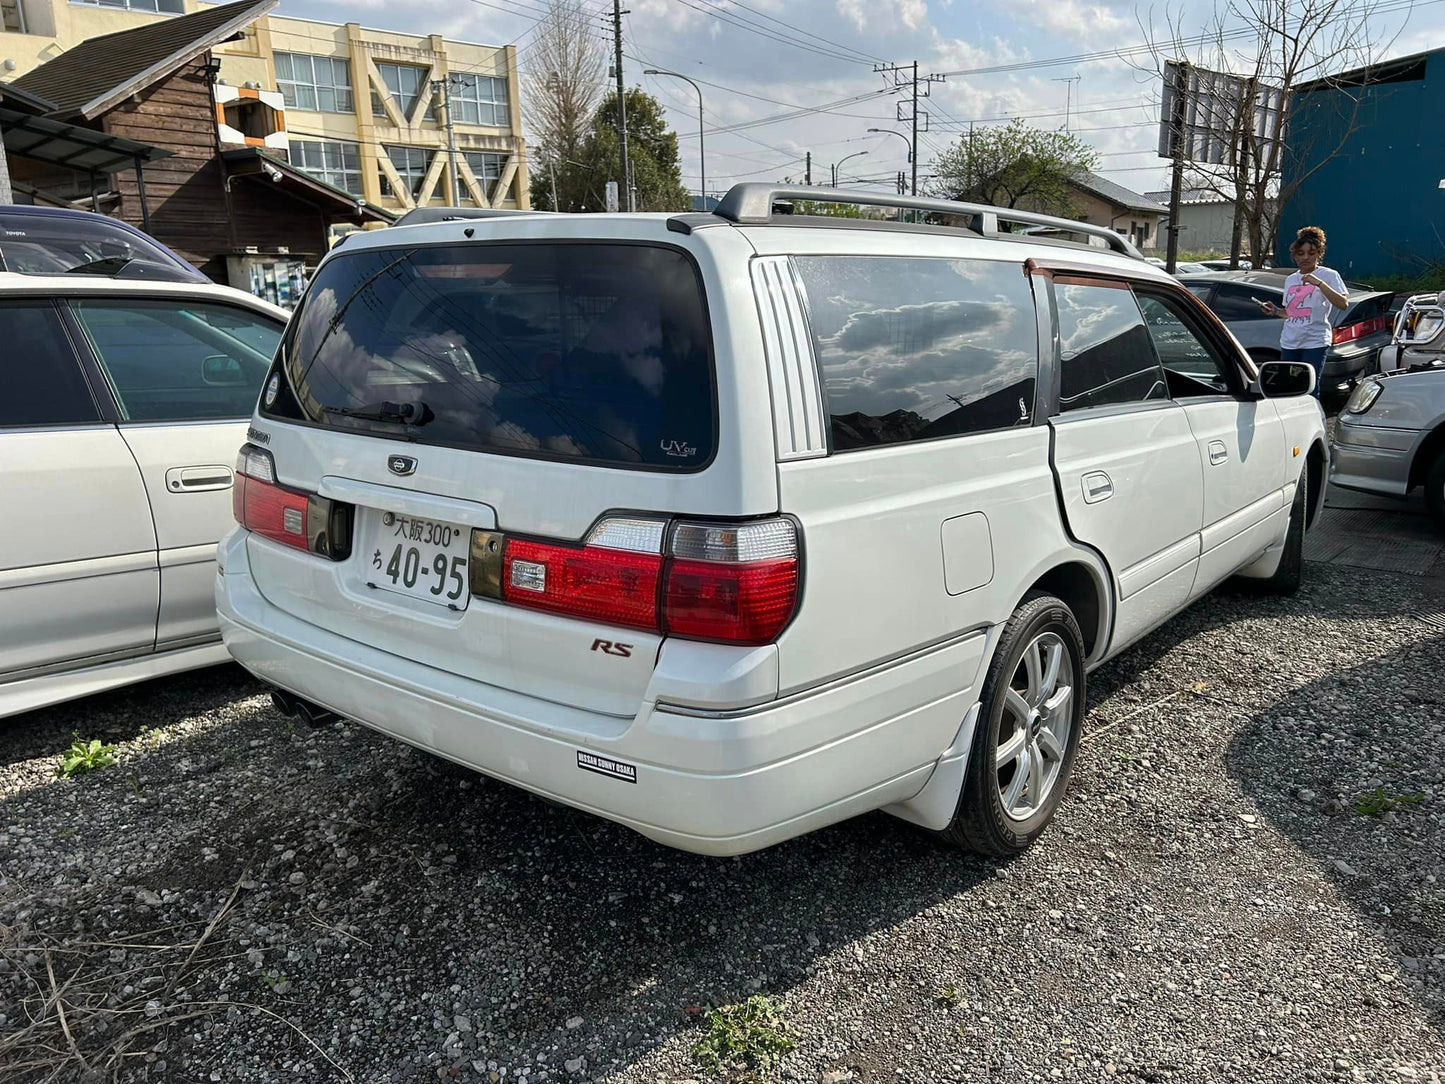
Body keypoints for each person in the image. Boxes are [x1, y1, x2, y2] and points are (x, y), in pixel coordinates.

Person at [1258, 226, 1348, 398]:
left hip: (1315, 341)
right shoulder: (1291, 279)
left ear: (1319, 253)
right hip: (1290, 341)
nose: (1305, 257)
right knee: (1289, 387)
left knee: (1309, 388)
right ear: (1294, 256)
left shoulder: (1329, 275)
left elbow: (1343, 303)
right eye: (1300, 253)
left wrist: (1319, 283)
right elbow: (1290, 313)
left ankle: (1314, 421)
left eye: (1311, 253)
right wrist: (1274, 310)